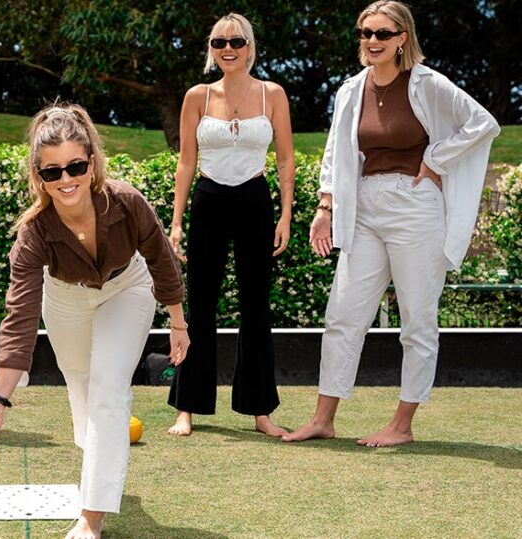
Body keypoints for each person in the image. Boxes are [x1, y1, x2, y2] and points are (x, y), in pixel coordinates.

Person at [0, 103, 190, 539]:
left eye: (75, 166)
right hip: (65, 298)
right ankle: (98, 460)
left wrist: (178, 322)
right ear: (39, 176)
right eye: (52, 172)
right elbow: (20, 319)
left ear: (91, 162)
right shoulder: (33, 234)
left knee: (108, 388)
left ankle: (92, 517)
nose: (66, 180)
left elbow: (162, 260)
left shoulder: (125, 202)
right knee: (82, 382)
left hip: (128, 288)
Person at [283, 0, 500, 447]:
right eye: (365, 33)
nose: (372, 42)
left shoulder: (427, 83)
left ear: (403, 38)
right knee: (343, 314)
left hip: (415, 206)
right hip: (362, 205)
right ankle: (324, 418)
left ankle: (402, 425)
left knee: (416, 321)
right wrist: (325, 208)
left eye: (382, 34)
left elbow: (483, 123)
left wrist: (436, 160)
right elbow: (334, 152)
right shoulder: (350, 89)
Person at [166, 13, 294, 437]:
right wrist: (176, 222)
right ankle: (187, 407)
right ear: (211, 48)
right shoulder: (197, 96)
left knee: (256, 307)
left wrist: (287, 214)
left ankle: (260, 412)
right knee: (200, 304)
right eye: (220, 41)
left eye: (236, 41)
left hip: (255, 202)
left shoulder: (272, 94)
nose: (228, 48)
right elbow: (186, 162)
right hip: (209, 199)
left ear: (249, 46)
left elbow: (286, 159)